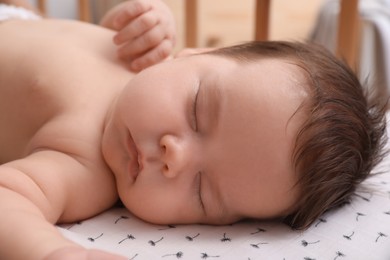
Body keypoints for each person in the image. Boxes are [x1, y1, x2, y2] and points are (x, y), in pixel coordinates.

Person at [0, 1, 387, 259]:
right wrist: (137, 22)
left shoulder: (84, 167)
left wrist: (53, 251)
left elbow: (10, 197)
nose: (175, 156)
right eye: (198, 111)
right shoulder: (147, 58)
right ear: (195, 54)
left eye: (202, 191)